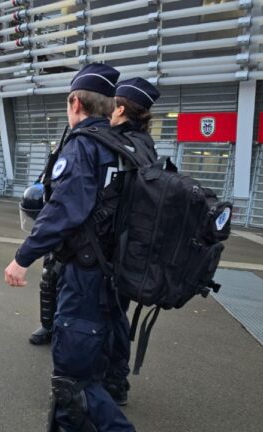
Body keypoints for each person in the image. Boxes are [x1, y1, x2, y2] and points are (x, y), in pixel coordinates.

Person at [4, 63, 136, 431]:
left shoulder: (83, 147)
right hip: (112, 274)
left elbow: (63, 209)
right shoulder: (125, 146)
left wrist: (23, 257)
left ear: (76, 103)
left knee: (73, 382)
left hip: (84, 277)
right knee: (86, 373)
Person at [102, 77, 161, 406]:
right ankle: (116, 379)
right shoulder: (146, 145)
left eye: (113, 105)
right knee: (116, 314)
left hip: (115, 247)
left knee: (109, 314)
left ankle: (113, 380)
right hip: (134, 247)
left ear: (121, 109)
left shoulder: (118, 143)